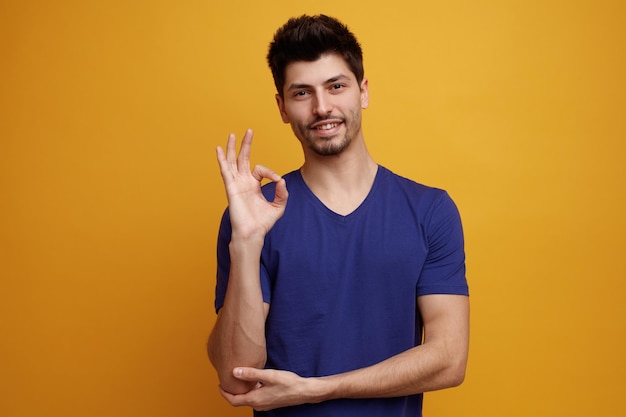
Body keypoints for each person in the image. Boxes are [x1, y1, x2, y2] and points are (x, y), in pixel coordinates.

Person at [208, 14, 469, 417]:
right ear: (281, 107)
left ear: (362, 91)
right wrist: (245, 242)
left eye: (336, 86)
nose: (322, 107)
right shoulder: (254, 217)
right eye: (301, 93)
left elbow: (449, 358)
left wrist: (317, 389)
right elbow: (236, 377)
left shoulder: (429, 211)